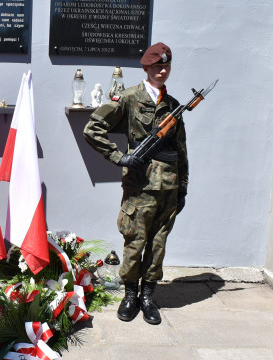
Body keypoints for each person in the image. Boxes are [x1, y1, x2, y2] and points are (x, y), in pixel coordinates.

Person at [83, 42, 188, 325]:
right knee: (134, 242)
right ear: (146, 68)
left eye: (167, 66)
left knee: (158, 245)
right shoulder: (129, 98)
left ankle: (148, 296)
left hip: (168, 186)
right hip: (139, 187)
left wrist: (183, 187)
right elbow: (92, 128)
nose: (163, 71)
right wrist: (120, 157)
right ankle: (130, 295)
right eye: (157, 66)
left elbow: (181, 150)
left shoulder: (175, 105)